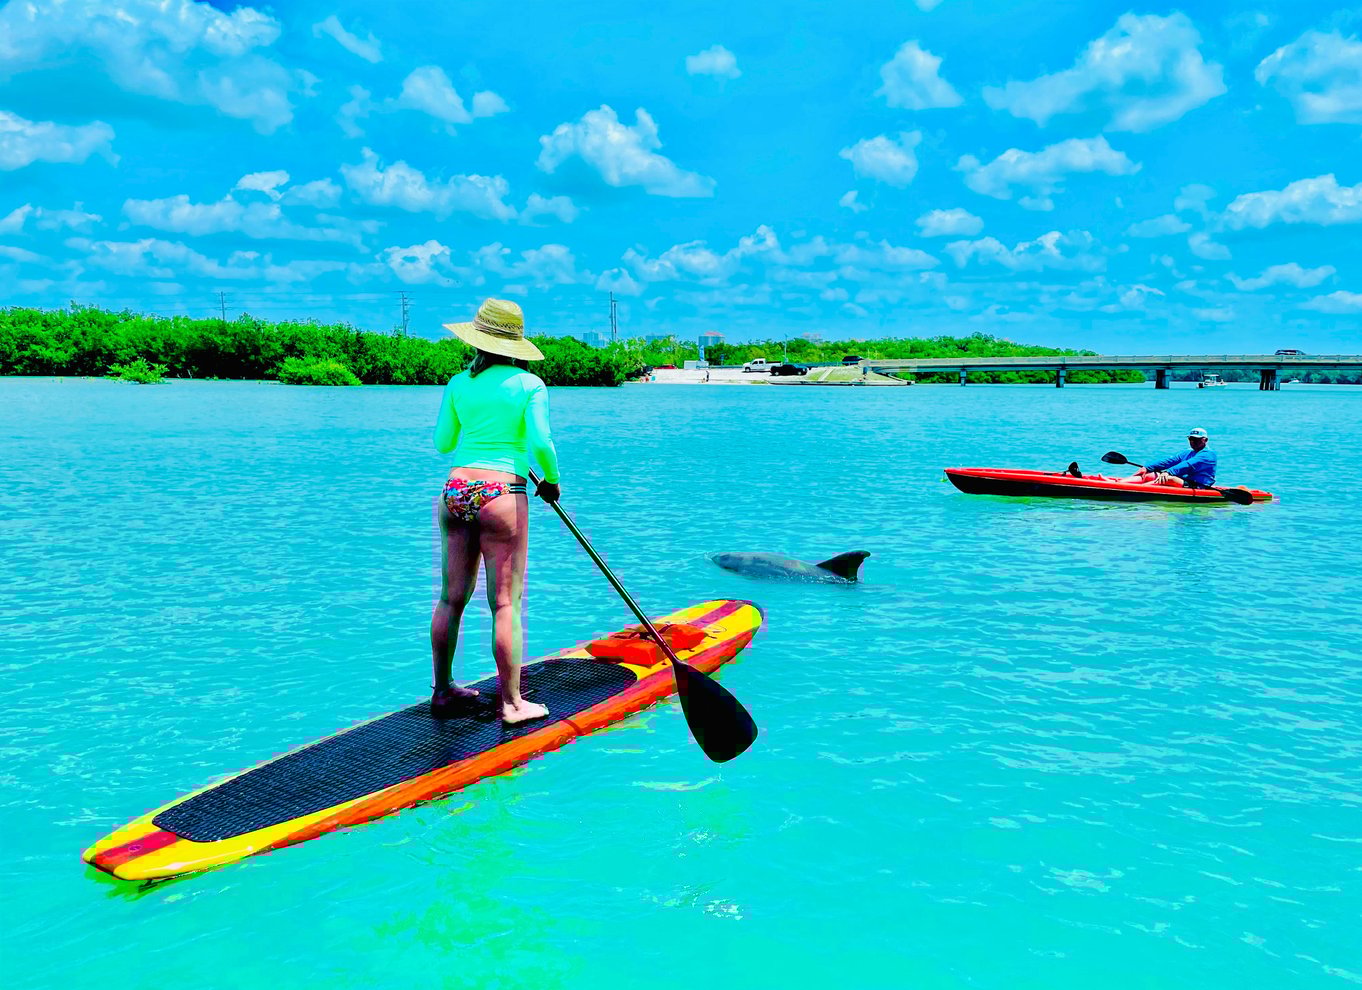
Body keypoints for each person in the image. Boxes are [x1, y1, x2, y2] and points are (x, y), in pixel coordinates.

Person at [429, 298, 561, 723]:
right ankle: (511, 704)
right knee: (505, 603)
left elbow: (444, 443)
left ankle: (444, 690)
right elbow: (540, 443)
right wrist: (553, 481)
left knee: (452, 597)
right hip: (502, 491)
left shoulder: (457, 382)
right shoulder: (529, 385)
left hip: (456, 488)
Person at [1079, 428, 1217, 487]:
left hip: (1199, 486)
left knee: (1166, 478)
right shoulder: (1187, 451)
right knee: (1150, 474)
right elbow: (1170, 461)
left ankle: (1137, 489)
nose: (1193, 442)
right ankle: (1114, 484)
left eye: (1196, 439)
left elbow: (1188, 465)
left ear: (1205, 440)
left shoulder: (1208, 455)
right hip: (1185, 481)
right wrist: (1148, 467)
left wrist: (1169, 472)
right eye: (1191, 439)